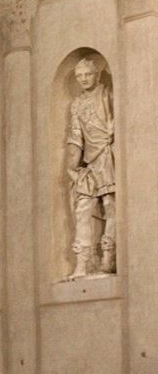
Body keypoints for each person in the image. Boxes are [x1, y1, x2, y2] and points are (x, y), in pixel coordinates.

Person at [66, 57, 116, 280]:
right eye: (80, 76)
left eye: (88, 74)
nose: (84, 79)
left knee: (110, 204)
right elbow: (75, 137)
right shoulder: (76, 104)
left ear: (96, 74)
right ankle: (82, 263)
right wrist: (71, 167)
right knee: (82, 209)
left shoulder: (107, 94)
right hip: (89, 161)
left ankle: (107, 259)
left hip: (108, 154)